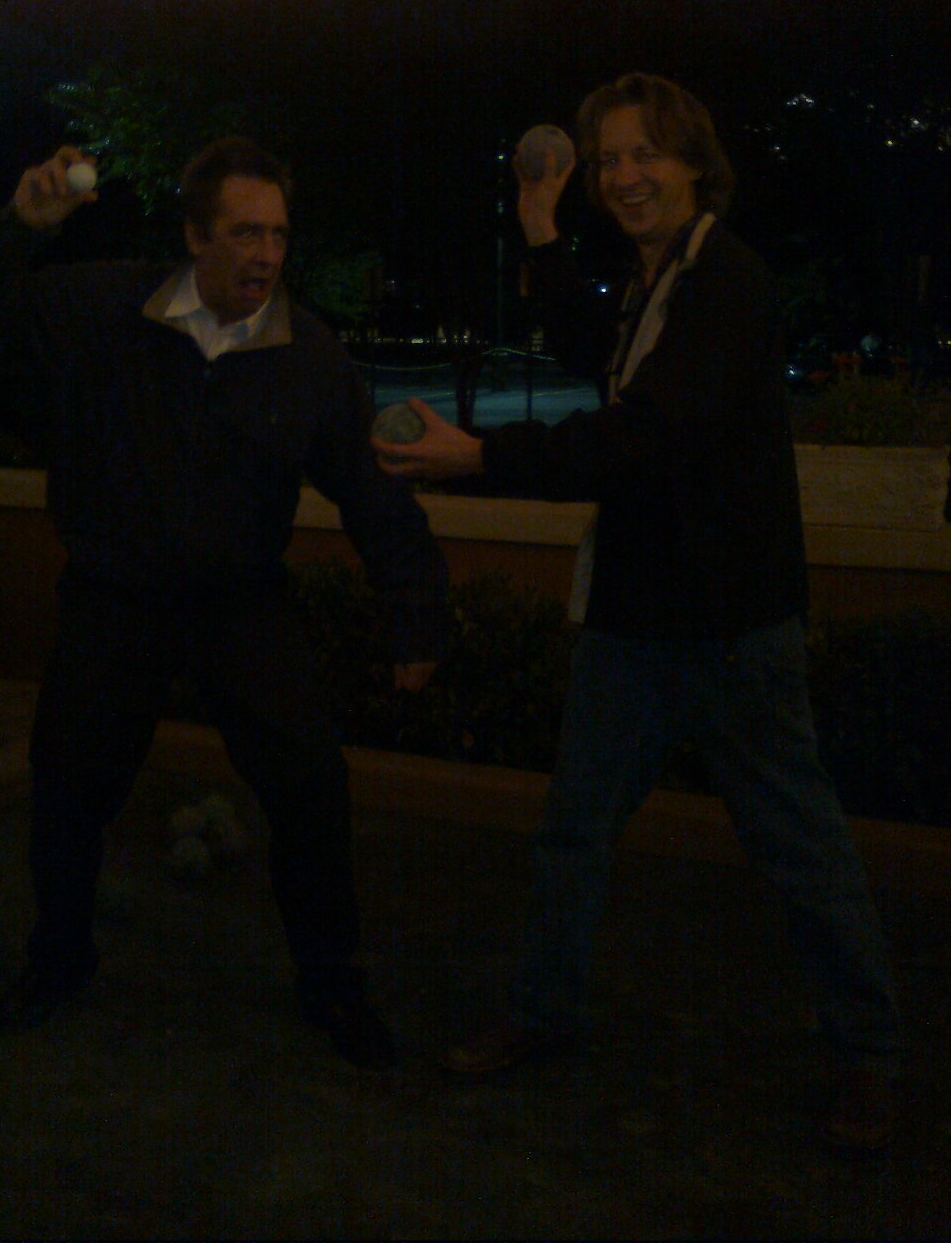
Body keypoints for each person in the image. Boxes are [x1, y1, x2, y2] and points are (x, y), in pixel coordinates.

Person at [374, 73, 903, 1148]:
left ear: (696, 162)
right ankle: (543, 1012)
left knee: (799, 846)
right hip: (634, 618)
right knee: (574, 832)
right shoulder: (657, 284)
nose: (623, 176)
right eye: (609, 158)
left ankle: (870, 1055)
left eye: (644, 153)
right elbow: (593, 348)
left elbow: (644, 435)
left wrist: (480, 457)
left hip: (730, 628)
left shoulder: (727, 282)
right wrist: (539, 224)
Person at [0, 137, 448, 1069]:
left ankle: (332, 985)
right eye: (245, 232)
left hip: (238, 604)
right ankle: (58, 961)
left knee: (310, 786)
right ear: (194, 235)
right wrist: (17, 230)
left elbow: (372, 492)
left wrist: (414, 611)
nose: (267, 255)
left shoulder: (308, 355)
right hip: (115, 597)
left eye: (279, 235)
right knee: (66, 787)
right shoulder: (105, 307)